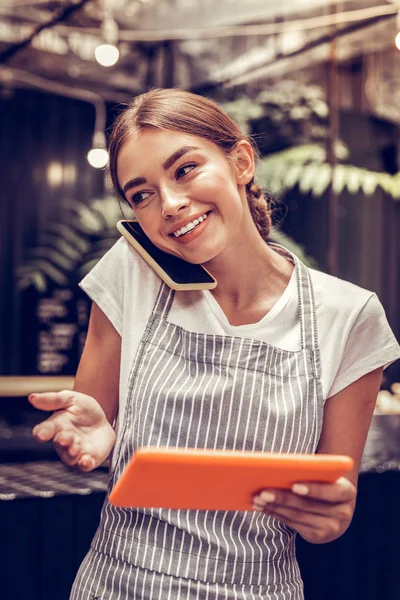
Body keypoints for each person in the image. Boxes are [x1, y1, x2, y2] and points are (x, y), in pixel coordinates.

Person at [29, 88, 400, 600]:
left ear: (241, 161)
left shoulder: (350, 316)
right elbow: (94, 436)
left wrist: (329, 518)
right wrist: (91, 441)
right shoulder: (131, 271)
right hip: (116, 583)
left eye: (184, 169)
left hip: (258, 589)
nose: (171, 205)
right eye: (142, 195)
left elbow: (335, 507)